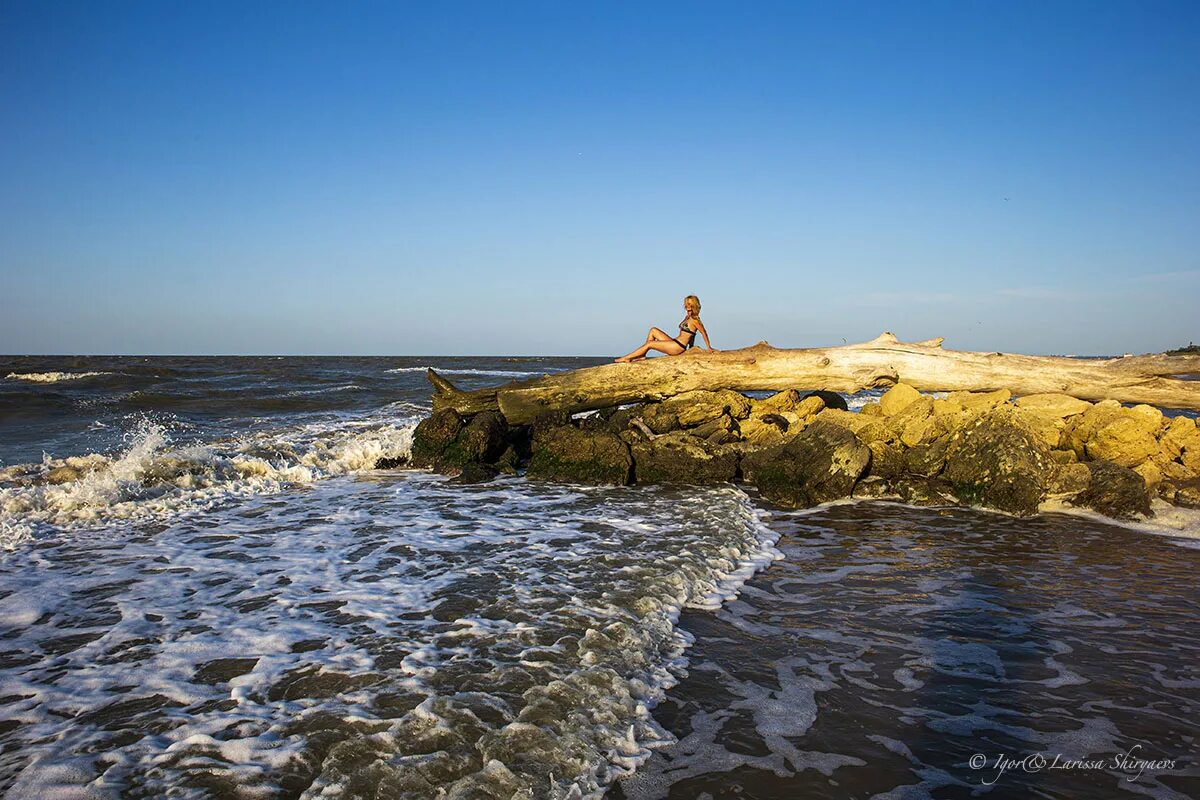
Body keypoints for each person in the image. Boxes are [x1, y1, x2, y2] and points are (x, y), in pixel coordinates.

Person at [615, 295, 717, 362]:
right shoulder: (687, 317)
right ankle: (642, 356)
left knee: (649, 344)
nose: (687, 305)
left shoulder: (695, 320)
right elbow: (691, 335)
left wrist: (709, 347)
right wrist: (691, 347)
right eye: (686, 303)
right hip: (674, 342)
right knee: (653, 330)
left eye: (690, 304)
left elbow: (703, 333)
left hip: (678, 347)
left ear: (694, 305)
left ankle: (627, 357)